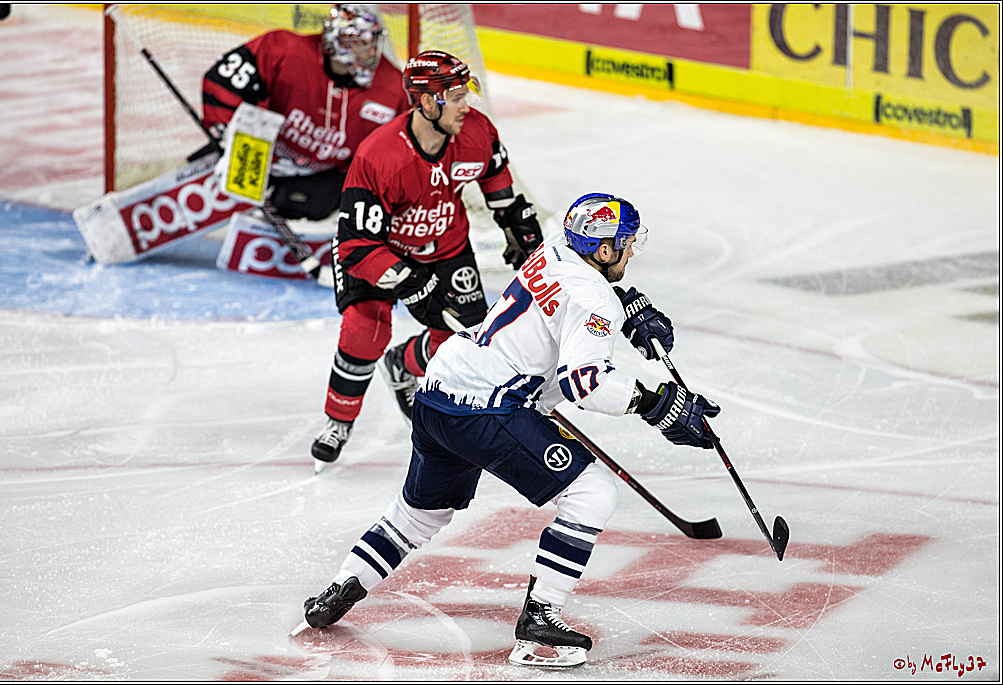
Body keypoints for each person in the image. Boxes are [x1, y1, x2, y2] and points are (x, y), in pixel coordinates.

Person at [299, 193, 721, 668]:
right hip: (487, 407)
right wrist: (658, 403)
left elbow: (574, 292)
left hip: (438, 390)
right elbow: (585, 383)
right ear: (603, 251)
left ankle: (337, 591)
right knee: (592, 495)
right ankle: (540, 618)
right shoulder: (594, 296)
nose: (629, 252)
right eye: (624, 244)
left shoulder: (557, 247)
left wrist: (633, 309)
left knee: (419, 516)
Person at [310, 49, 543, 465]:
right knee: (366, 330)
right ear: (426, 101)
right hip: (376, 249)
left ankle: (403, 363)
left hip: (446, 244)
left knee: (460, 336)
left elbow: (498, 185)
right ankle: (338, 421)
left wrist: (517, 229)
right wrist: (411, 283)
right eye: (455, 97)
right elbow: (356, 244)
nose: (465, 105)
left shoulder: (476, 131)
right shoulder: (379, 155)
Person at [201, 4, 409, 221]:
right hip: (258, 158)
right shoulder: (284, 50)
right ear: (339, 43)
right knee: (214, 187)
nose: (373, 52)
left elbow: (401, 148)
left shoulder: (393, 87)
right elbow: (222, 82)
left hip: (323, 178)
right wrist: (227, 139)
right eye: (362, 43)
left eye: (373, 41)